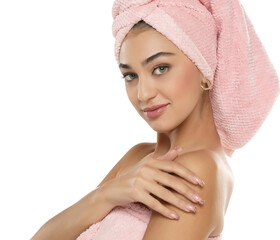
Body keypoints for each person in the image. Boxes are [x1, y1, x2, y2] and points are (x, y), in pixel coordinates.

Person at [31, 0, 279, 239]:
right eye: (130, 76)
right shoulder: (137, 157)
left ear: (205, 70)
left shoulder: (198, 169)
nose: (143, 94)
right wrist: (105, 195)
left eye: (160, 68)